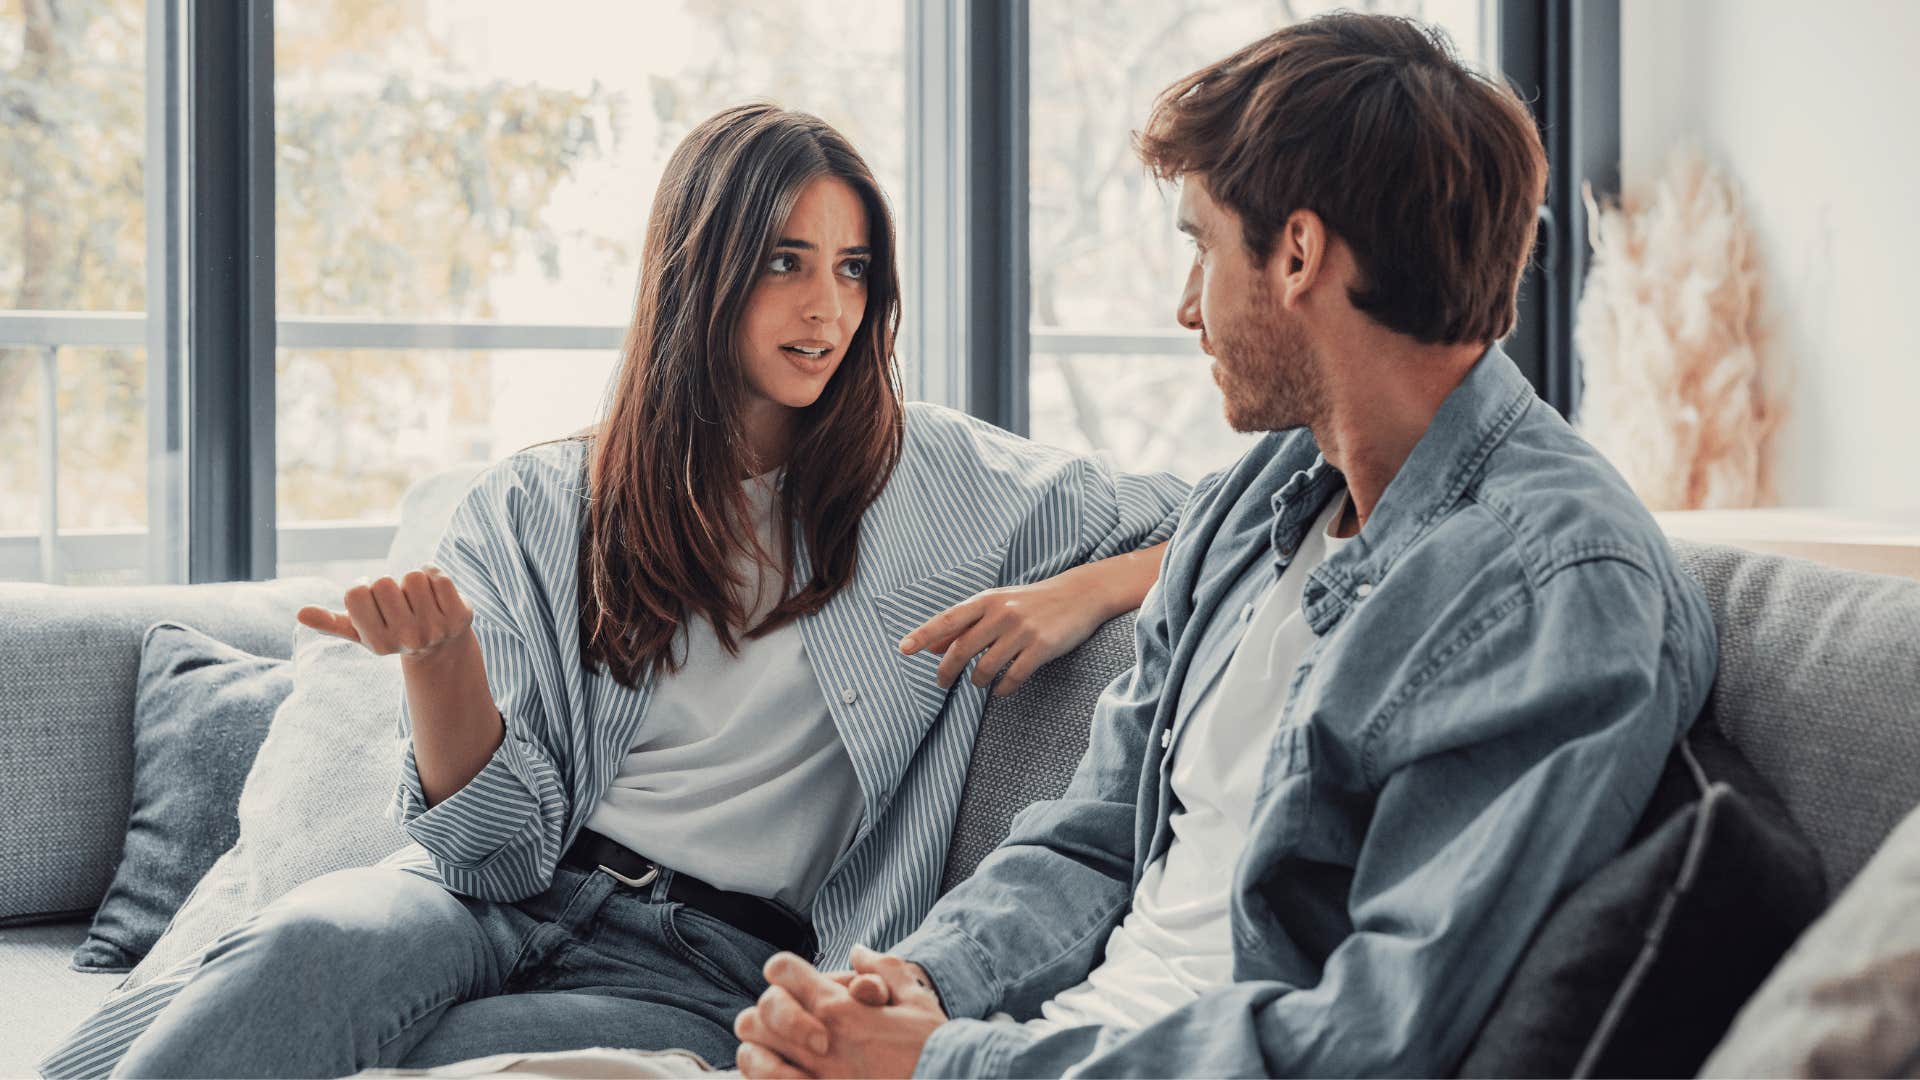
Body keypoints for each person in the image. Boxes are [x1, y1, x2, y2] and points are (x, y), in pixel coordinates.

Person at [41, 104, 1188, 1080]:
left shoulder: (948, 483)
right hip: (496, 897)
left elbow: (1236, 505)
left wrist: (1087, 590)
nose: (826, 307)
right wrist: (442, 666)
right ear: (702, 266)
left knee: (440, 1056)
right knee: (305, 951)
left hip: (709, 963)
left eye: (852, 269)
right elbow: (491, 856)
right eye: (785, 261)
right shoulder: (538, 505)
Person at [733, 14, 1720, 1079]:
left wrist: (940, 1065)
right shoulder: (1256, 505)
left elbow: (1374, 1041)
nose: (1185, 306)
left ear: (1297, 253)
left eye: (1202, 245)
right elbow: (1101, 828)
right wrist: (917, 987)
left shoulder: (1554, 585)